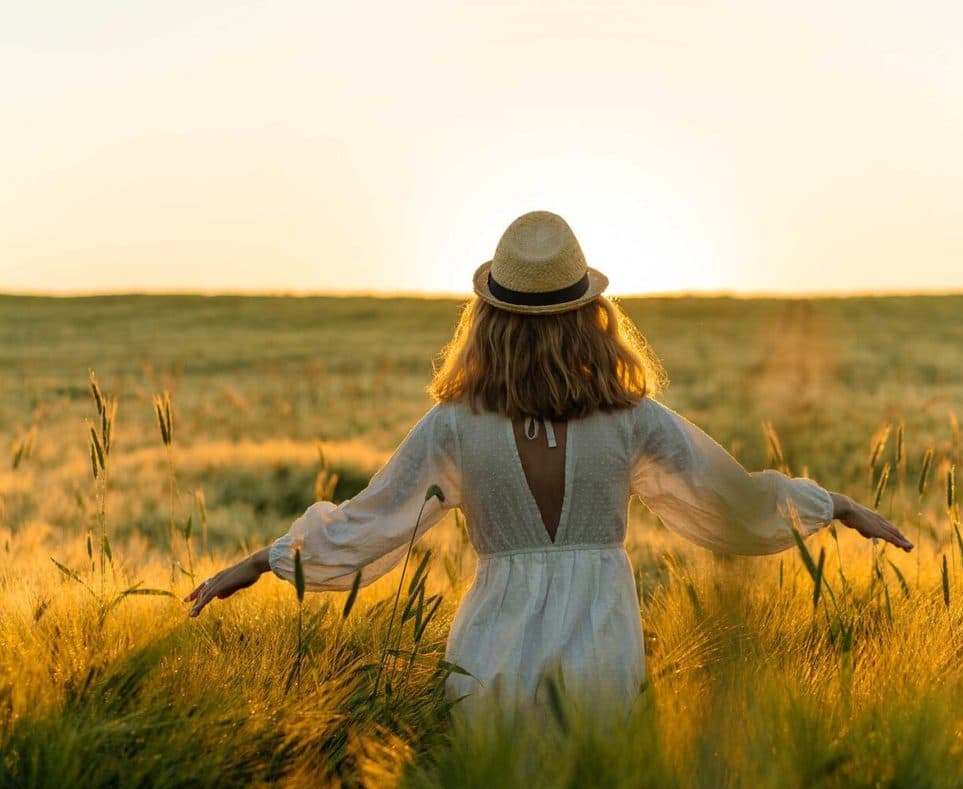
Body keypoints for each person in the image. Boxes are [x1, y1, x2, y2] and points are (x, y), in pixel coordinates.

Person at [183, 210, 911, 715]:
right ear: (592, 318)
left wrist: (263, 561)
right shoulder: (633, 421)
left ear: (488, 319)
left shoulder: (454, 427)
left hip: (486, 655)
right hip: (604, 652)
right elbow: (737, 506)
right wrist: (837, 507)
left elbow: (364, 526)